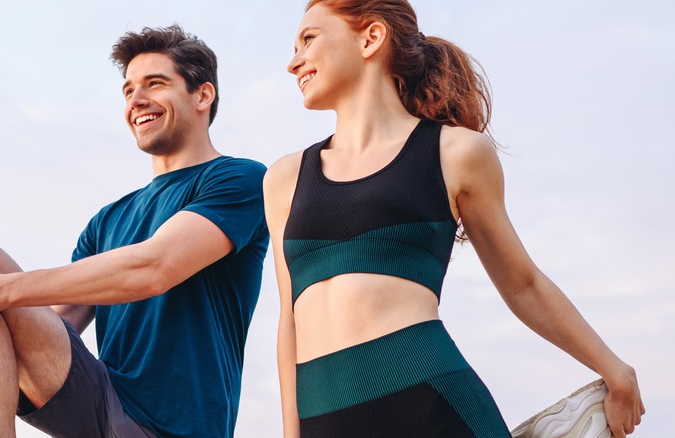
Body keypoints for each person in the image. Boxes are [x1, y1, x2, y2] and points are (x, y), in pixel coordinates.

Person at [263, 1, 644, 437]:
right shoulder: (284, 178)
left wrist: (613, 368)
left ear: (371, 37)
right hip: (325, 419)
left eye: (308, 39)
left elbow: (523, 284)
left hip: (431, 407)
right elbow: (289, 319)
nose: (293, 62)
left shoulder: (455, 153)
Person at [0, 25, 269, 438]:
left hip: (178, 427)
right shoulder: (107, 220)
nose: (136, 100)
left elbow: (155, 267)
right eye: (128, 91)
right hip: (102, 404)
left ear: (203, 95)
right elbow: (51, 326)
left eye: (155, 84)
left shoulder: (239, 179)